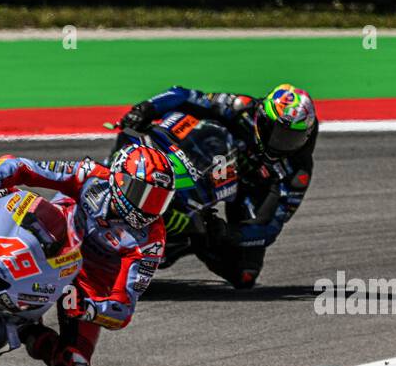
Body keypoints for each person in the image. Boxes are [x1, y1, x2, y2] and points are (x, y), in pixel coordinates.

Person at [0, 144, 174, 366]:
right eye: (143, 194)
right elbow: (19, 166)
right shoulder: (90, 175)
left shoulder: (151, 239)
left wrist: (90, 308)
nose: (148, 208)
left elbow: (123, 309)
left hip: (82, 285)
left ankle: (27, 329)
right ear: (119, 180)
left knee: (73, 364)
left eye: (158, 200)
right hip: (49, 237)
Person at [119, 83, 318, 288]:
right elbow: (185, 95)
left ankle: (189, 235)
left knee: (244, 274)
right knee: (158, 124)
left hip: (247, 192)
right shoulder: (242, 109)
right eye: (279, 134)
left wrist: (226, 232)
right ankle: (128, 175)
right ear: (264, 120)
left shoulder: (297, 171)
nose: (285, 144)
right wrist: (146, 108)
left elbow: (270, 227)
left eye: (294, 137)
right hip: (202, 159)